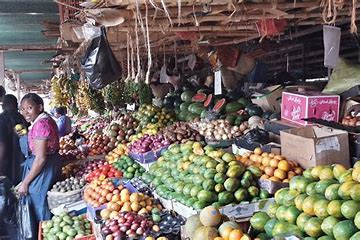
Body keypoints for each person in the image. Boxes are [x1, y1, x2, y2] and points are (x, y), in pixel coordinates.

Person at [18, 93, 61, 232]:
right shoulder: (42, 120)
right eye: (23, 109)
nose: (25, 112)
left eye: (29, 108)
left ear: (40, 107)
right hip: (47, 164)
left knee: (39, 201)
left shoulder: (41, 124)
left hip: (44, 167)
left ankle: (43, 231)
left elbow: (41, 158)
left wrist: (25, 183)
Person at [0, 94, 28, 185]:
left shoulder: (2, 119)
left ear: (3, 105)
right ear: (16, 105)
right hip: (23, 161)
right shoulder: (23, 118)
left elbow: (1, 145)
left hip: (7, 163)